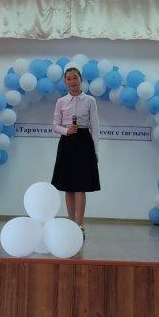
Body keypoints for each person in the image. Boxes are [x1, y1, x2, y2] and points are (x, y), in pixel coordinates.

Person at [51, 67, 100, 238]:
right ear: (65, 82)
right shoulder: (61, 101)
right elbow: (55, 125)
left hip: (84, 143)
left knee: (81, 186)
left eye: (75, 78)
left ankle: (80, 224)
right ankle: (70, 223)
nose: (72, 81)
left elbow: (95, 126)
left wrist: (95, 150)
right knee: (68, 186)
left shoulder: (90, 100)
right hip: (67, 143)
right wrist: (66, 131)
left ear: (81, 79)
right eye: (69, 78)